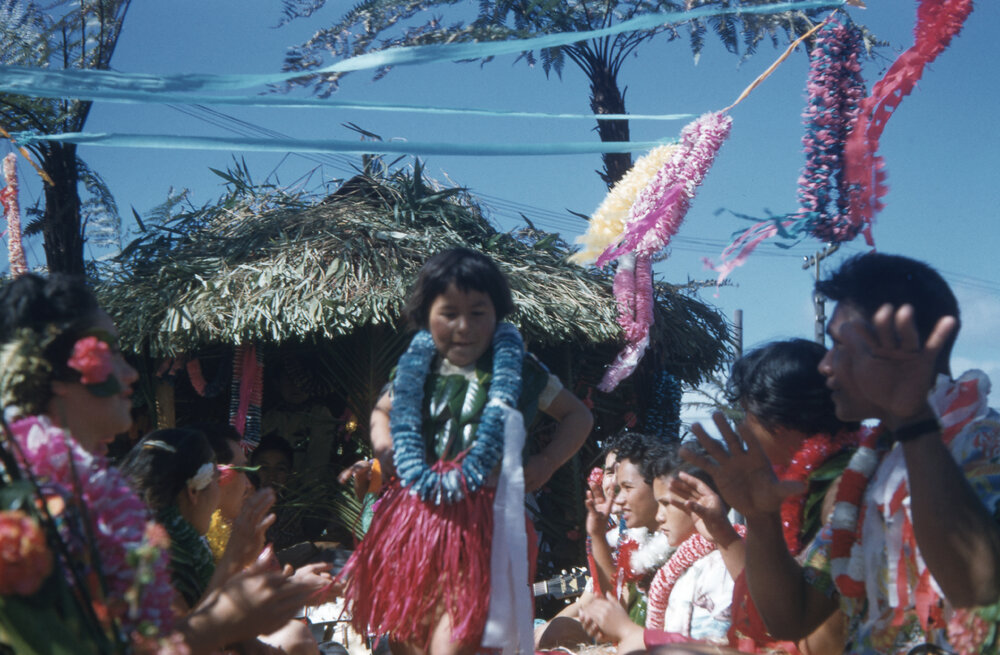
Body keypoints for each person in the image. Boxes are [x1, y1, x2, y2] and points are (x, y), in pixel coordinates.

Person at [687, 253, 1000, 653]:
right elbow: (792, 617)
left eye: (839, 345)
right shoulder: (869, 469)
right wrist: (761, 518)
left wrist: (914, 421)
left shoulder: (985, 443)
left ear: (899, 342)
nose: (825, 365)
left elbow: (980, 594)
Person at [0, 273, 322, 653]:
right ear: (50, 368)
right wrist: (221, 621)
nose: (130, 373)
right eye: (108, 352)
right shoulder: (22, 505)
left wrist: (234, 564)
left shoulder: (88, 489)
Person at [338, 247, 593, 655]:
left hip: (486, 526)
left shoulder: (521, 370)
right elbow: (382, 412)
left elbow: (578, 416)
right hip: (416, 518)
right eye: (449, 313)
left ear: (498, 313)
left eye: (477, 313)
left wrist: (547, 461)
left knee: (457, 639)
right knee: (408, 636)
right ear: (425, 316)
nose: (464, 326)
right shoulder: (415, 369)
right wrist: (385, 449)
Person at [580, 443, 738, 652]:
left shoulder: (718, 567)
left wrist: (628, 631)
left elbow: (710, 648)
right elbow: (621, 602)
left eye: (627, 487)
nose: (659, 515)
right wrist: (597, 536)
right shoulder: (661, 555)